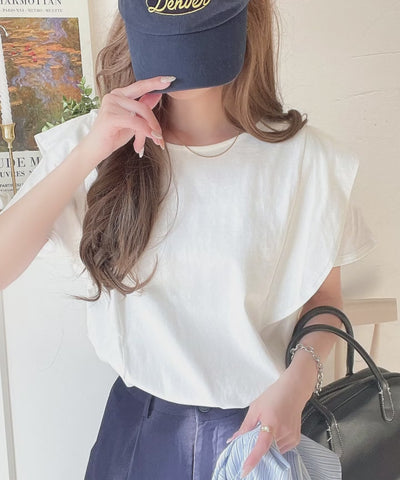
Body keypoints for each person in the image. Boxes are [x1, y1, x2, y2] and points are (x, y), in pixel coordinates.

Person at [0, 0, 376, 478]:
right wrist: (91, 150)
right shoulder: (95, 144)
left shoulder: (308, 162)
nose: (182, 70)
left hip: (257, 432)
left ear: (246, 21)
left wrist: (298, 385)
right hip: (138, 433)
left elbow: (324, 300)